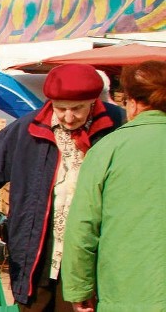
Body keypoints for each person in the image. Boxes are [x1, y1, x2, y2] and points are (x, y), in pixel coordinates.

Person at [0, 63, 125, 310]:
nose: (69, 117)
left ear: (93, 101)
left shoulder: (117, 127)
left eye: (78, 109)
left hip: (89, 255)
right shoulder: (24, 129)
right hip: (34, 252)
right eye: (61, 109)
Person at [62, 61, 166, 312]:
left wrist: (79, 289)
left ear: (131, 102)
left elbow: (83, 228)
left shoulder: (108, 150)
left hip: (126, 293)